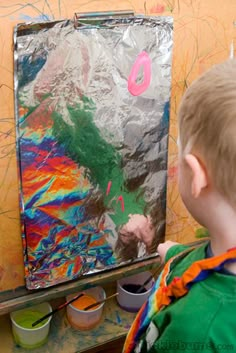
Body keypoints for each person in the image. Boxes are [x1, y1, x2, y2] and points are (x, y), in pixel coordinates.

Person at [122, 59, 236, 353]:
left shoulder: (195, 333)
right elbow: (197, 264)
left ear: (196, 174)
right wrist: (165, 248)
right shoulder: (223, 250)